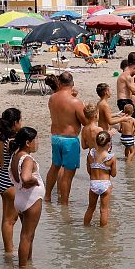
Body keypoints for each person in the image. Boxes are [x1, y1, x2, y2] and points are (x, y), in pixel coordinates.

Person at [44, 72, 89, 204]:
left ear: (60, 83)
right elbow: (86, 122)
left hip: (56, 137)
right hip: (69, 140)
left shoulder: (52, 98)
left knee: (54, 167)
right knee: (68, 175)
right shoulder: (75, 102)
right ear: (72, 83)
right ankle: (64, 203)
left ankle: (47, 196)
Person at [9, 127, 43, 268]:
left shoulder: (15, 156)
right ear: (28, 142)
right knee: (26, 236)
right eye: (36, 139)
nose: (38, 142)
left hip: (21, 199)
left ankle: (28, 264)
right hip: (31, 200)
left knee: (28, 235)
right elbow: (25, 177)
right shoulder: (27, 159)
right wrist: (35, 181)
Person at [0, 108, 21, 255]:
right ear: (15, 123)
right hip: (11, 185)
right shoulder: (15, 140)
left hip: (2, 181)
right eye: (20, 120)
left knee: (6, 219)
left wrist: (3, 167)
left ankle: (8, 249)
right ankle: (9, 251)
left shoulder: (2, 137)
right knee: (10, 221)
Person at [84, 131, 117, 227]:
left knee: (90, 207)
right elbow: (114, 174)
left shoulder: (91, 154)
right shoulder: (111, 157)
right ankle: (103, 233)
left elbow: (89, 170)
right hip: (105, 184)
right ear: (108, 144)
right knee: (104, 210)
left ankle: (85, 226)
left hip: (93, 183)